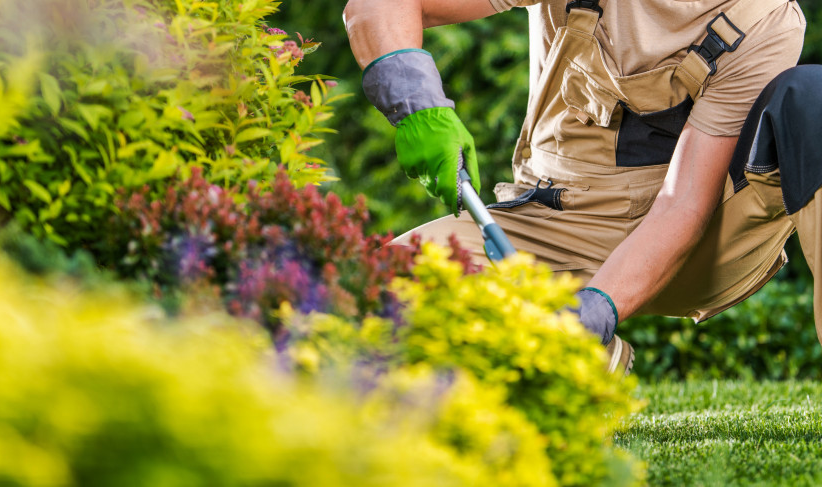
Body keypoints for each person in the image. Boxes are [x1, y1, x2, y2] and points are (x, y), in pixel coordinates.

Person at [343, 0, 814, 374]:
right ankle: (584, 361)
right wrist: (417, 102)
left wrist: (598, 308)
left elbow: (684, 203)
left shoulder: (766, 18)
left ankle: (579, 335)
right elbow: (378, 5)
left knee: (813, 101)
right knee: (373, 295)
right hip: (554, 219)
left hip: (703, 240)